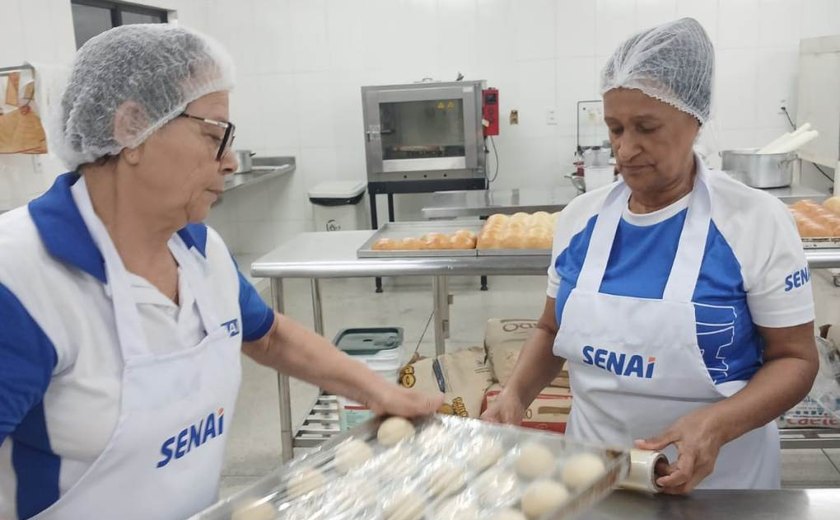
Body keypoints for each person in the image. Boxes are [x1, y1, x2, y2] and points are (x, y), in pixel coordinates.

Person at [0, 24, 441, 520]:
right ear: (131, 129)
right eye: (214, 135)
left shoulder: (199, 250)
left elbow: (268, 337)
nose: (230, 161)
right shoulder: (20, 279)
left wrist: (378, 391)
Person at [482, 18, 818, 494]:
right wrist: (515, 393)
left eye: (646, 127)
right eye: (615, 128)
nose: (625, 148)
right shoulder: (581, 219)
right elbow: (551, 329)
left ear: (695, 120)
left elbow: (796, 360)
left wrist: (717, 424)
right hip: (595, 477)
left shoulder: (754, 221)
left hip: (720, 485)